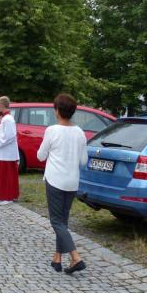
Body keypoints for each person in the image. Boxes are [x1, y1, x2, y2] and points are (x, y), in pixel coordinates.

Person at [37, 93, 88, 274]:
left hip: (55, 180)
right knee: (62, 222)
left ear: (57, 110)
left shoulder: (52, 130)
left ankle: (76, 257)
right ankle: (57, 258)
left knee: (56, 222)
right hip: (72, 181)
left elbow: (40, 155)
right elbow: (83, 160)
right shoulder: (80, 132)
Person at [0, 97, 20, 204]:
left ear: (2, 105)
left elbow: (10, 135)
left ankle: (7, 197)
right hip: (6, 152)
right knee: (6, 174)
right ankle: (7, 195)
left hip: (7, 152)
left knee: (6, 175)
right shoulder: (6, 118)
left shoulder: (8, 119)